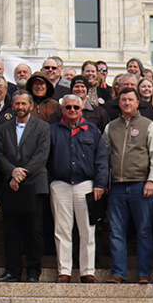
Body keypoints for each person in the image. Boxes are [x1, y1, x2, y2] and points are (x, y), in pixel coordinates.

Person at [47, 94, 109, 283]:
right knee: (62, 229)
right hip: (60, 184)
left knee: (87, 230)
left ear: (81, 109)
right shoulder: (52, 130)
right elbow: (46, 158)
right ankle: (64, 270)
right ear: (62, 109)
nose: (72, 110)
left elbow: (102, 159)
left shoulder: (92, 130)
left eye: (76, 107)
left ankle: (87, 271)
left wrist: (100, 184)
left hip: (85, 184)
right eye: (68, 107)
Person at [105, 88, 153, 284]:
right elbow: (104, 156)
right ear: (118, 103)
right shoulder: (110, 127)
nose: (127, 103)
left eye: (131, 100)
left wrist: (152, 179)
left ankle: (143, 273)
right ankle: (118, 272)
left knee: (144, 230)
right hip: (117, 186)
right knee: (116, 231)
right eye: (123, 100)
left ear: (138, 103)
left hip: (141, 185)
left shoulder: (148, 126)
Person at [0, 90, 50, 283]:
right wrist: (12, 172)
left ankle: (34, 272)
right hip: (11, 185)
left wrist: (20, 174)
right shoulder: (3, 128)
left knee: (35, 231)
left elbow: (42, 155)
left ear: (31, 105)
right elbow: (0, 154)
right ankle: (12, 271)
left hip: (34, 184)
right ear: (12, 105)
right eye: (16, 104)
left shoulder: (42, 127)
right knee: (11, 231)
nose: (20, 107)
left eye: (23, 104)